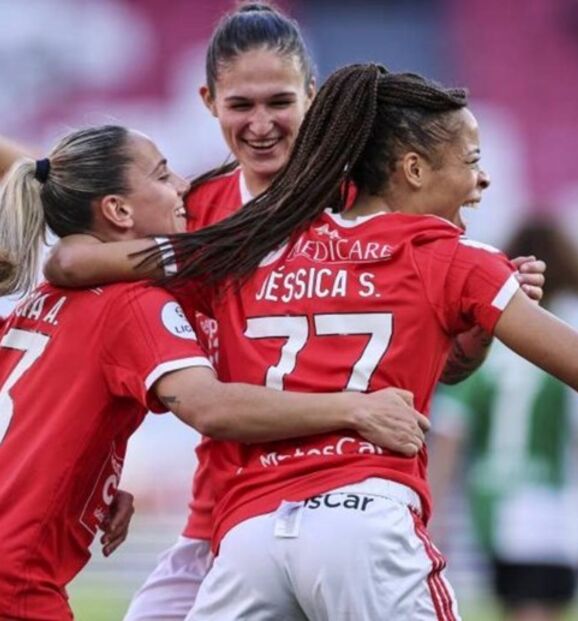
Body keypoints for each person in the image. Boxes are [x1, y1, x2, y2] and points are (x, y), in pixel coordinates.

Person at [120, 63, 578, 620]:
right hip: (364, 519)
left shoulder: (258, 245)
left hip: (249, 538)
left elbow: (101, 269)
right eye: (470, 160)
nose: (482, 180)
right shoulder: (451, 257)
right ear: (411, 167)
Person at [39, 5, 544, 619]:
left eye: (279, 102)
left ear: (313, 93)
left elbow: (445, 366)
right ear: (208, 100)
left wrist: (482, 326)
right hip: (225, 512)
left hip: (347, 501)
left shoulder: (370, 205)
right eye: (240, 105)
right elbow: (82, 277)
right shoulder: (195, 211)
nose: (260, 124)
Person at [0, 125, 428, 620]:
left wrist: (94, 483)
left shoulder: (40, 301)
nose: (182, 185)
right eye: (162, 175)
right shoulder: (133, 305)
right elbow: (211, 408)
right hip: (16, 587)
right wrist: (356, 408)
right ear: (118, 211)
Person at [429, 219, 578, 621]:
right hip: (553, 508)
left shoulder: (483, 339)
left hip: (492, 504)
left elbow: (449, 435)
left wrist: (434, 514)